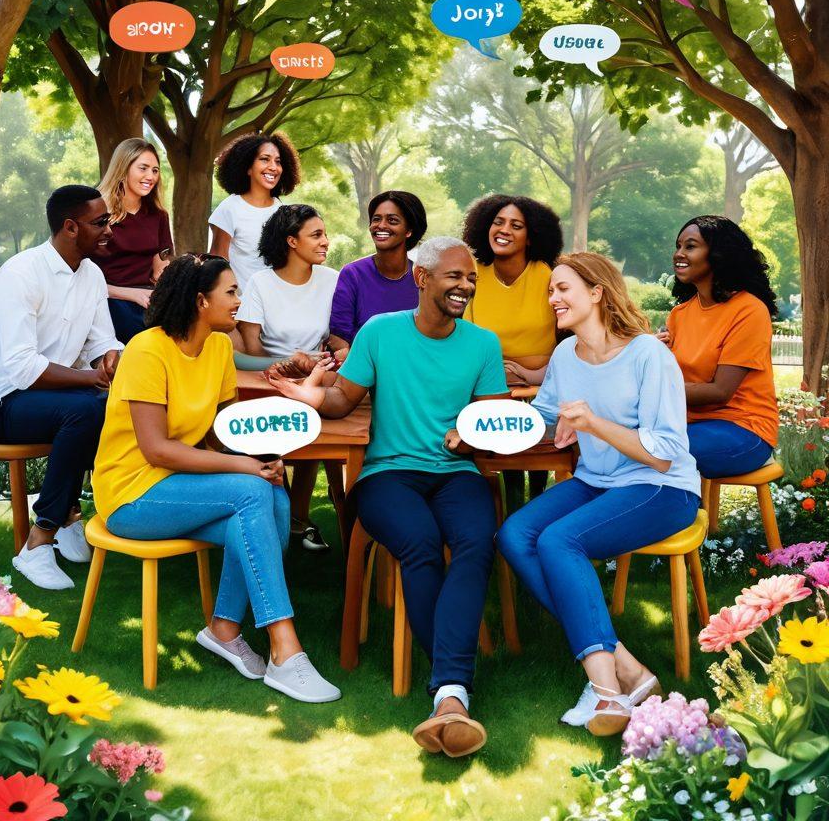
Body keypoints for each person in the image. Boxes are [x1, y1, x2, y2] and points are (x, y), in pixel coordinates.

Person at [268, 237, 508, 757]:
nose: (465, 285)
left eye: (471, 278)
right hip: (387, 474)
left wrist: (472, 437)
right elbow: (342, 400)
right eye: (454, 276)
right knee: (420, 545)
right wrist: (307, 394)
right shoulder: (380, 332)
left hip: (456, 473)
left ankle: (447, 693)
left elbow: (492, 423)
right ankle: (454, 690)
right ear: (422, 279)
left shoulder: (483, 344)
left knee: (475, 543)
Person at [91, 254, 340, 703]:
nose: (239, 303)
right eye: (231, 293)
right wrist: (244, 469)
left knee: (275, 497)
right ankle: (286, 649)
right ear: (200, 300)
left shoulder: (219, 347)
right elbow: (157, 449)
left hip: (181, 489)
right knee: (250, 490)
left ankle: (224, 628)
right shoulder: (147, 349)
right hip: (132, 493)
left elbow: (221, 431)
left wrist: (262, 460)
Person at [496, 253, 700, 737]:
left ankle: (605, 688)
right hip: (597, 480)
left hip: (660, 488)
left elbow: (665, 453)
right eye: (550, 292)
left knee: (559, 541)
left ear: (597, 293)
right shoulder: (567, 356)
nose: (553, 299)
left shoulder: (649, 354)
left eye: (563, 289)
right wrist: (480, 425)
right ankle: (624, 664)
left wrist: (593, 424)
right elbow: (546, 415)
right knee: (514, 533)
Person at [0, 185, 123, 591]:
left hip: (55, 397)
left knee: (111, 403)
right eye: (100, 222)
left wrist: (109, 359)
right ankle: (38, 542)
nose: (109, 229)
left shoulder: (92, 274)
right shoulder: (22, 272)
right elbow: (22, 369)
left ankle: (69, 512)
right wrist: (92, 378)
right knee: (88, 408)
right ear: (70, 227)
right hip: (0, 405)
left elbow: (100, 341)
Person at [238, 204, 346, 550]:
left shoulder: (333, 280)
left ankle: (297, 517)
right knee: (289, 422)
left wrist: (315, 367)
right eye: (316, 235)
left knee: (313, 412)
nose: (325, 241)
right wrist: (288, 362)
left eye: (324, 233)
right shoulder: (260, 283)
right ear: (291, 241)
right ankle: (282, 517)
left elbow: (339, 339)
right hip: (266, 380)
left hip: (317, 379)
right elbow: (251, 350)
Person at [462, 193, 563, 513]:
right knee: (506, 452)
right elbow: (465, 341)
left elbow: (570, 340)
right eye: (498, 222)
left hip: (545, 389)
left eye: (516, 225)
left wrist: (531, 373)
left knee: (537, 447)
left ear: (531, 236)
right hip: (490, 391)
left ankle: (535, 507)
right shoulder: (472, 274)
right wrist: (498, 373)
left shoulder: (548, 276)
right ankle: (512, 510)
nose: (504, 230)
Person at [661, 216, 779, 478]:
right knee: (618, 444)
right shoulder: (679, 314)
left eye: (690, 246)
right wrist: (648, 354)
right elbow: (669, 377)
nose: (679, 254)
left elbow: (720, 392)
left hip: (743, 429)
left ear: (718, 254)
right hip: (686, 425)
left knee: (652, 452)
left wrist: (654, 389)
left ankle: (684, 516)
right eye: (678, 246)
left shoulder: (749, 310)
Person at [94, 138, 173, 343]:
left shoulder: (158, 215)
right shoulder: (99, 214)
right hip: (109, 299)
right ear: (124, 168)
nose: (150, 176)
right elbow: (84, 280)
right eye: (143, 168)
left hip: (147, 298)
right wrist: (132, 294)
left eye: (155, 170)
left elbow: (161, 267)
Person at [329, 191, 427, 344]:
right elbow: (338, 339)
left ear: (409, 231)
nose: (381, 225)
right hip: (362, 366)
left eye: (392, 220)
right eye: (376, 219)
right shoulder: (353, 274)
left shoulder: (424, 279)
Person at [208, 132, 301, 293]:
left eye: (278, 162)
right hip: (242, 307)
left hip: (276, 302)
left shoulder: (282, 211)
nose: (273, 167)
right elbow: (217, 263)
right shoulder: (230, 208)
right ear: (248, 167)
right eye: (265, 159)